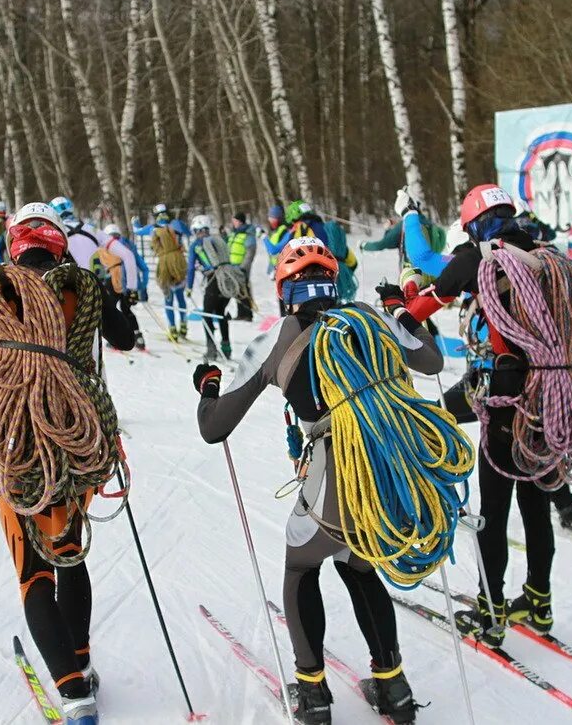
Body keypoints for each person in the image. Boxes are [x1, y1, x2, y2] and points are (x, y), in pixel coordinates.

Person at [195, 237, 456, 724]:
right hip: (386, 469)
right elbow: (431, 362)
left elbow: (214, 427)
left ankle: (313, 695)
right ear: (333, 282)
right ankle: (393, 688)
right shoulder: (369, 318)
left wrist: (208, 385)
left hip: (333, 474)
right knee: (359, 567)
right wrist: (399, 310)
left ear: (284, 290)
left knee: (301, 567)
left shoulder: (280, 335)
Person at [0, 202, 135, 725]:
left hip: (18, 440)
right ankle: (82, 666)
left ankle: (73, 694)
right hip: (75, 435)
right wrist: (115, 299)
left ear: (13, 242)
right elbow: (122, 337)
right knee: (69, 551)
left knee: (33, 571)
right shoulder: (83, 287)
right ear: (58, 241)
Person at [400, 184, 572, 646]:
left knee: (493, 510)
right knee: (535, 504)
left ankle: (490, 616)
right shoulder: (545, 257)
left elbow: (426, 276)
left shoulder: (481, 258)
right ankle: (539, 603)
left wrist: (401, 300)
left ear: (471, 225)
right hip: (548, 393)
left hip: (505, 394)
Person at [134, 204, 189, 341]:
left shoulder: (153, 229)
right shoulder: (176, 225)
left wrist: (134, 222)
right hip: (179, 261)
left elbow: (137, 231)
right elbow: (189, 232)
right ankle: (183, 326)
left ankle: (172, 330)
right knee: (180, 296)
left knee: (168, 297)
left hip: (164, 264)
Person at [186, 215, 236, 360]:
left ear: (196, 230)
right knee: (221, 313)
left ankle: (211, 349)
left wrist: (189, 288)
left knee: (207, 314)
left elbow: (190, 269)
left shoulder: (195, 245)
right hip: (227, 279)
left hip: (213, 280)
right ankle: (226, 348)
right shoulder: (219, 240)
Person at [91, 223, 146, 350]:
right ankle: (137, 336)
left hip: (112, 280)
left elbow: (99, 268)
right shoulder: (126, 246)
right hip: (126, 280)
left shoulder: (103, 249)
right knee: (126, 308)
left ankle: (116, 337)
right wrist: (138, 287)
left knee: (111, 309)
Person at [226, 212, 257, 321]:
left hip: (242, 267)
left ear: (240, 221)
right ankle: (241, 313)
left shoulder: (248, 234)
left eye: (234, 221)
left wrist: (244, 267)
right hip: (232, 267)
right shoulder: (234, 233)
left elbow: (250, 253)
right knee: (237, 290)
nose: (233, 223)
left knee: (244, 290)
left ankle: (248, 314)